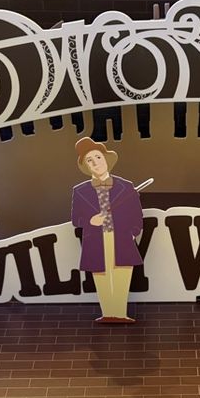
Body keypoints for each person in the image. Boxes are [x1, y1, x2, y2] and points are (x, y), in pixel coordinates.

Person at [71, 137, 144, 324]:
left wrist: (133, 232)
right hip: (96, 239)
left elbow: (136, 213)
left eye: (98, 157)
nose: (96, 163)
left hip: (121, 238)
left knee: (122, 273)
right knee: (101, 277)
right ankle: (108, 313)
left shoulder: (126, 186)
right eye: (90, 160)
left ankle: (120, 313)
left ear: (106, 158)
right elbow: (76, 219)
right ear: (86, 166)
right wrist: (90, 221)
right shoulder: (79, 191)